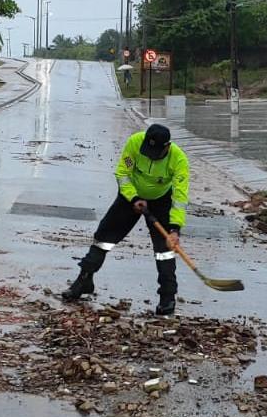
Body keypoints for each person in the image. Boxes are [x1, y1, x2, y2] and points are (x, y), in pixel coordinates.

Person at [62, 123, 189, 316]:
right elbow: (122, 173)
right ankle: (84, 280)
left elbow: (180, 198)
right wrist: (134, 198)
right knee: (104, 238)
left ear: (167, 146)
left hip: (161, 200)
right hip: (130, 197)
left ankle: (167, 298)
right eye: (148, 151)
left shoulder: (179, 160)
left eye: (155, 153)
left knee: (165, 251)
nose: (150, 155)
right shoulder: (135, 143)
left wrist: (174, 229)